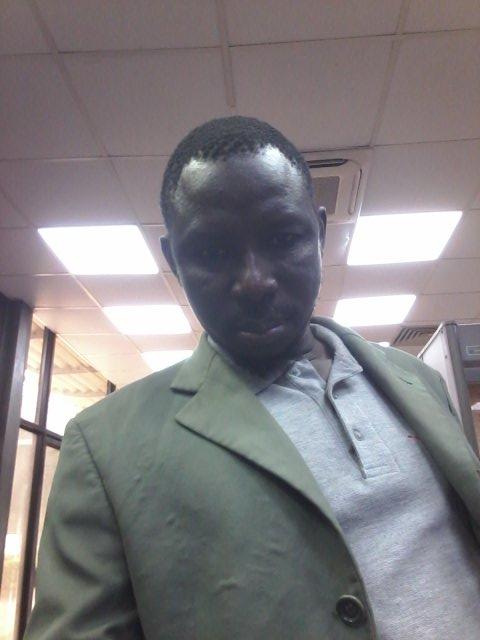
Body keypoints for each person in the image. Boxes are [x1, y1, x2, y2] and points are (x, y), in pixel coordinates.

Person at [25, 116, 480, 640]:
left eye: (283, 238)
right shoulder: (106, 447)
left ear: (320, 233)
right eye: (213, 251)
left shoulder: (417, 380)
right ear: (174, 260)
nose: (255, 281)